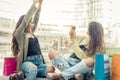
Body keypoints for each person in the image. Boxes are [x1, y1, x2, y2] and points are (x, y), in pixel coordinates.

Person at [10, 0, 55, 80]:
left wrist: (40, 5)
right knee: (32, 69)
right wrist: (34, 5)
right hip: (28, 62)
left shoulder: (32, 33)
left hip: (39, 62)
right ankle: (27, 72)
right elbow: (24, 21)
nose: (32, 24)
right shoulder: (20, 34)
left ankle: (24, 74)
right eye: (30, 22)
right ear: (26, 24)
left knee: (52, 69)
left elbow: (36, 17)